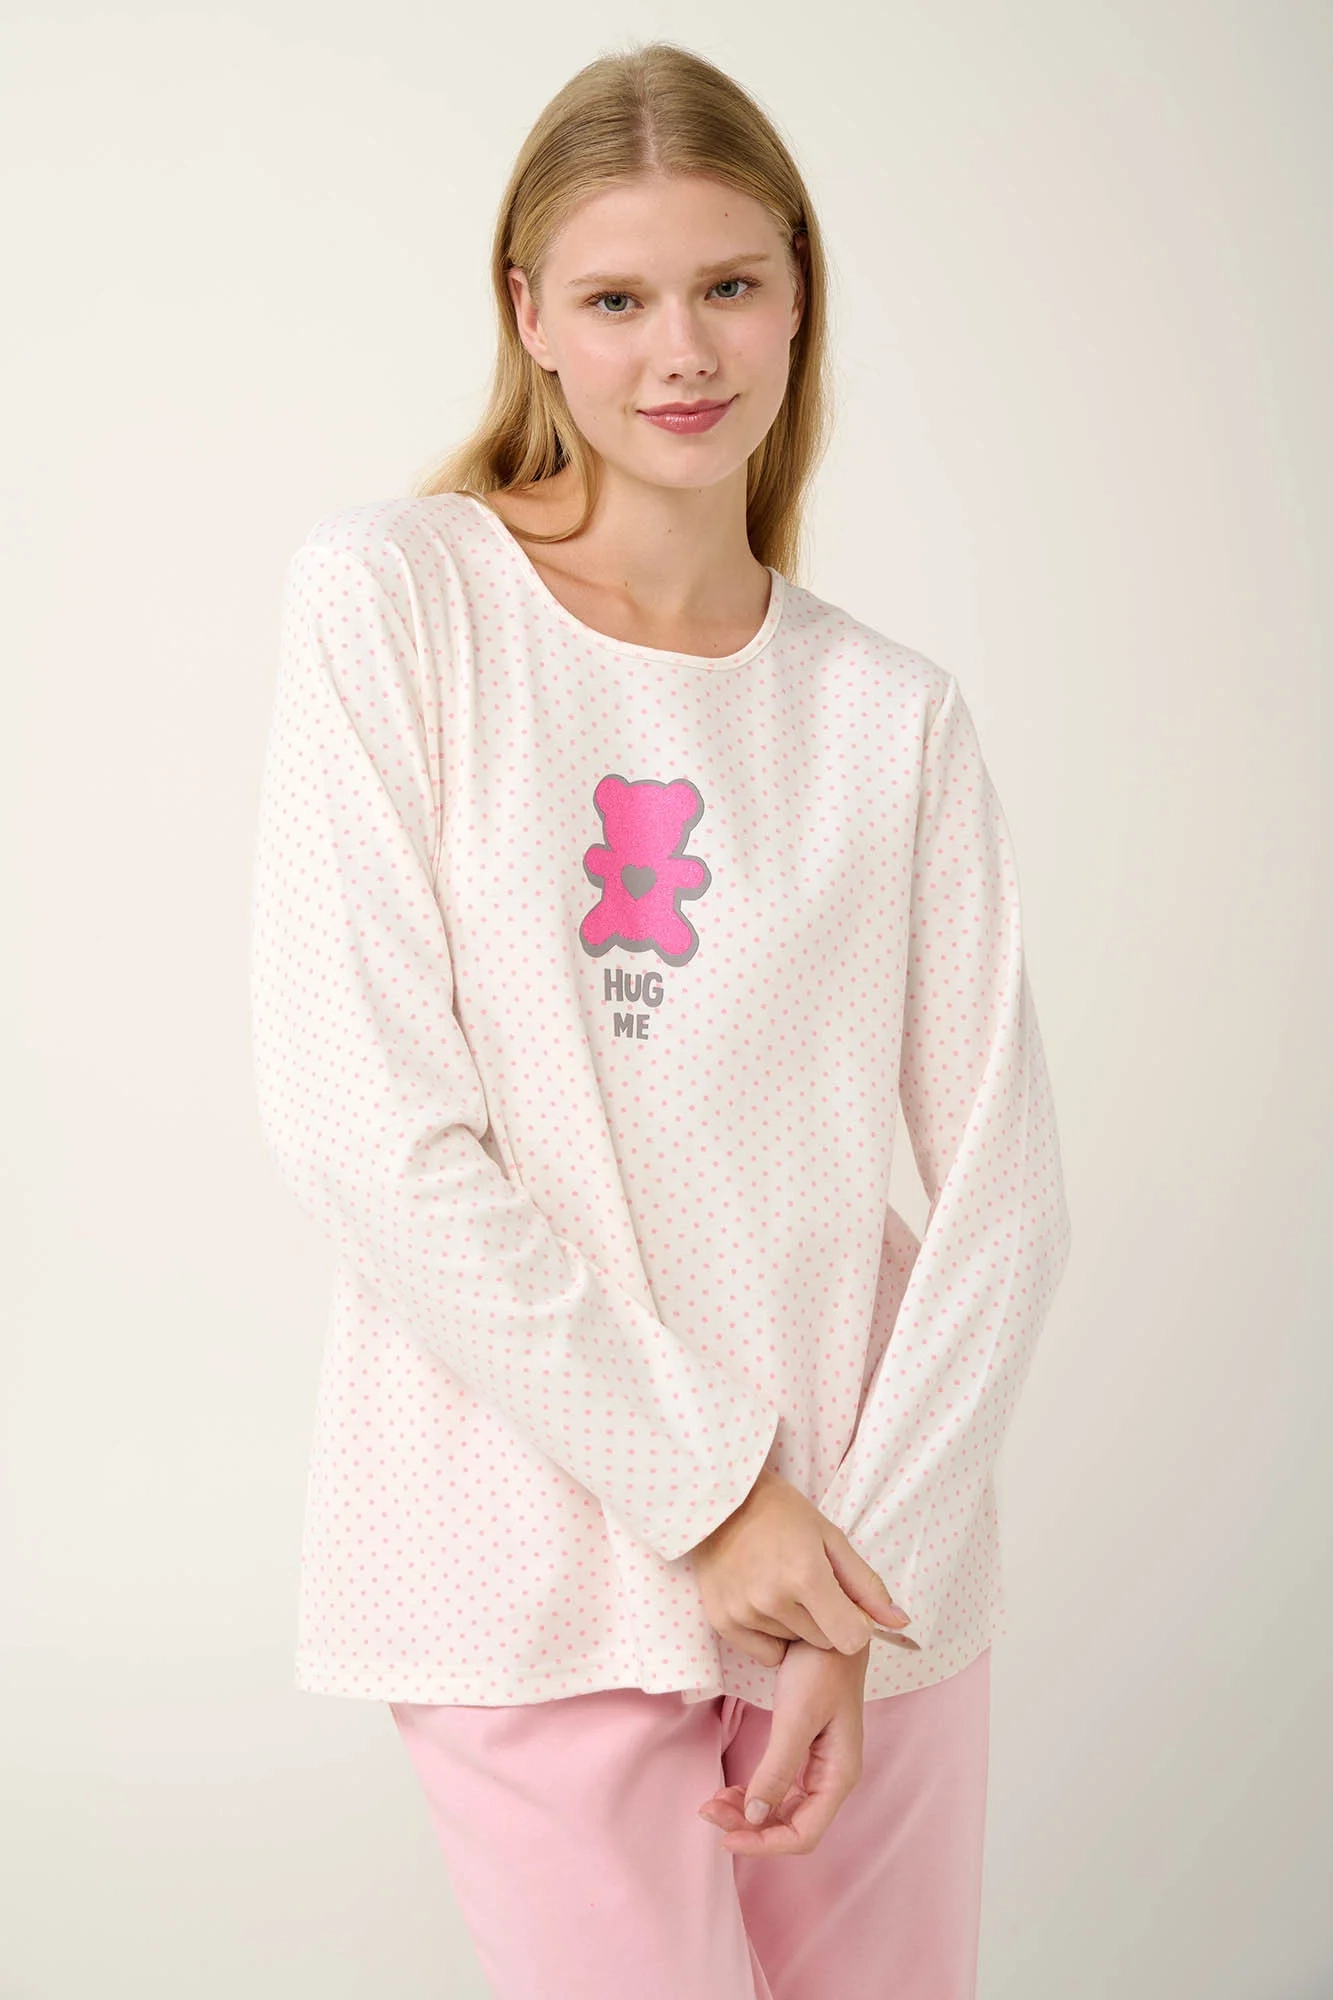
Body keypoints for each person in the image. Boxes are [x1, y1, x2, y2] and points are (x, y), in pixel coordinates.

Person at [248, 37, 1072, 2000]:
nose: (680, 351)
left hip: (861, 1576)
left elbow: (1005, 1197)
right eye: (617, 299)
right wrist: (716, 1496)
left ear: (799, 294)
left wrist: (853, 1575)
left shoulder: (890, 718)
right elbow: (365, 1121)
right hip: (527, 1555)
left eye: (728, 286)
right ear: (528, 314)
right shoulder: (399, 604)